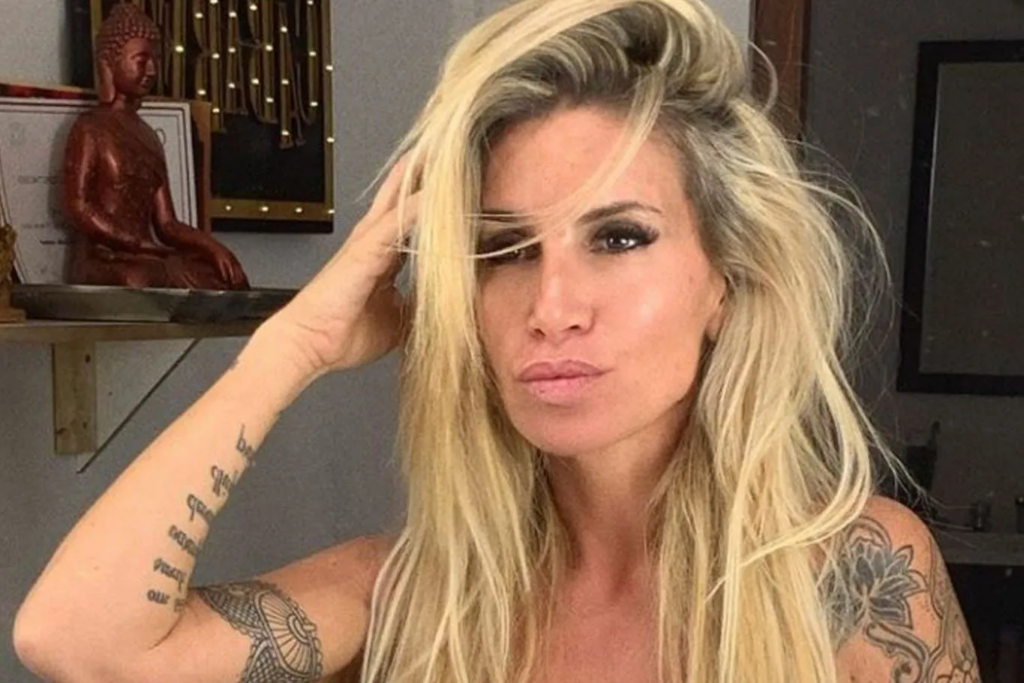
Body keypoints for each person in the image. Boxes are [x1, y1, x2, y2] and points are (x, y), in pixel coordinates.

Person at [15, 0, 979, 681]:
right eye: (503, 249)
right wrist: (292, 344)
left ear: (726, 280)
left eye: (618, 237)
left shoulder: (853, 575)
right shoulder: (411, 595)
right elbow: (76, 641)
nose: (552, 305)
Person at [63, 2, 248, 290]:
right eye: (141, 60)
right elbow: (78, 206)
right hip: (105, 256)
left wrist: (213, 248)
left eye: (154, 60)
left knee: (224, 279)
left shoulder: (148, 135)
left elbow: (167, 224)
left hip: (148, 254)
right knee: (138, 280)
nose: (151, 70)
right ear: (110, 63)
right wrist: (133, 242)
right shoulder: (90, 127)